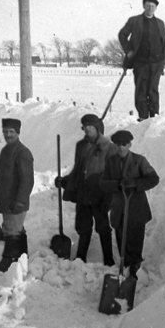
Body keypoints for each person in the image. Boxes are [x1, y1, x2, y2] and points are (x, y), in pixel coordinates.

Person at [55, 114, 116, 266]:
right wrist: (65, 181)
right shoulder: (81, 146)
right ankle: (80, 257)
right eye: (85, 126)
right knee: (83, 227)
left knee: (103, 227)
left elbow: (114, 174)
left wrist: (109, 197)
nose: (87, 129)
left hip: (100, 194)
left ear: (97, 127)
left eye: (91, 126)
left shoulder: (109, 147)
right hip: (83, 194)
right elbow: (78, 169)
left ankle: (108, 259)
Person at [99, 130, 160, 283]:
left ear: (130, 144)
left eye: (124, 145)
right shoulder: (111, 162)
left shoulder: (139, 161)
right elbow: (103, 183)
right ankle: (125, 270)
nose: (120, 148)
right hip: (119, 209)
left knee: (135, 242)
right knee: (122, 242)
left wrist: (136, 184)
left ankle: (134, 273)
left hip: (136, 209)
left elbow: (154, 179)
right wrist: (117, 185)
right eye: (118, 145)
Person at [0, 118, 34, 273]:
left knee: (11, 230)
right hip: (7, 200)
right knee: (16, 228)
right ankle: (22, 256)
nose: (8, 135)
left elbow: (27, 180)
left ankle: (9, 259)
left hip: (16, 201)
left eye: (11, 132)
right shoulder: (6, 151)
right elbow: (2, 176)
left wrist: (20, 200)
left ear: (17, 133)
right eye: (5, 132)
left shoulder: (22, 153)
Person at [117, 0, 165, 120]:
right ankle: (143, 116)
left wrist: (163, 57)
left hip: (156, 63)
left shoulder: (160, 23)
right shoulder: (134, 21)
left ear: (156, 7)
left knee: (153, 89)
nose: (150, 8)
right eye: (147, 6)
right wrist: (129, 50)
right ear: (143, 6)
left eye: (152, 6)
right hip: (140, 62)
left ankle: (154, 116)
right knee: (141, 89)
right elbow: (122, 34)